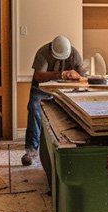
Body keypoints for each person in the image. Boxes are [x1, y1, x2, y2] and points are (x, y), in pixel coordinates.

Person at [22, 35, 86, 165]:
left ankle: (69, 147)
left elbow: (83, 78)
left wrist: (76, 75)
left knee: (72, 111)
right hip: (41, 89)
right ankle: (31, 149)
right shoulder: (43, 52)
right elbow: (38, 76)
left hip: (64, 90)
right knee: (34, 108)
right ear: (52, 49)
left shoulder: (74, 54)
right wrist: (60, 74)